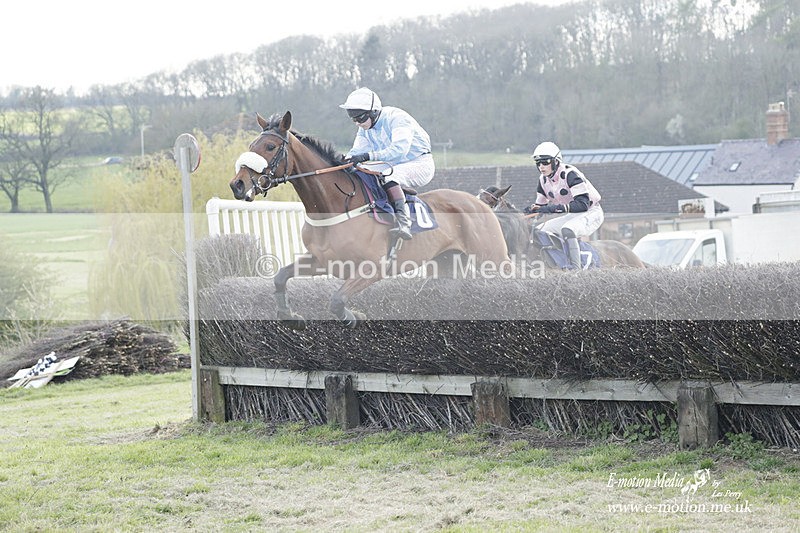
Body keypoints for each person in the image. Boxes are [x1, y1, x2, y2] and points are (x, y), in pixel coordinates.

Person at [340, 87, 434, 240]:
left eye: (360, 118)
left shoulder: (397, 118)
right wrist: (342, 161)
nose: (357, 123)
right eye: (353, 119)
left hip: (419, 163)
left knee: (390, 176)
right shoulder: (365, 127)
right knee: (359, 171)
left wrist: (368, 156)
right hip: (391, 164)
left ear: (373, 112)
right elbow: (356, 152)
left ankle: (404, 222)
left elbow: (399, 150)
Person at [523, 141, 604, 270]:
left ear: (556, 161)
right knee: (540, 231)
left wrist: (550, 209)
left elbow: (582, 205)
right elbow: (540, 207)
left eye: (545, 162)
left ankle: (576, 270)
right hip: (573, 215)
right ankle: (556, 262)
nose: (541, 167)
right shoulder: (543, 180)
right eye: (538, 163)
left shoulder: (570, 174)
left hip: (591, 212)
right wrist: (525, 213)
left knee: (568, 229)